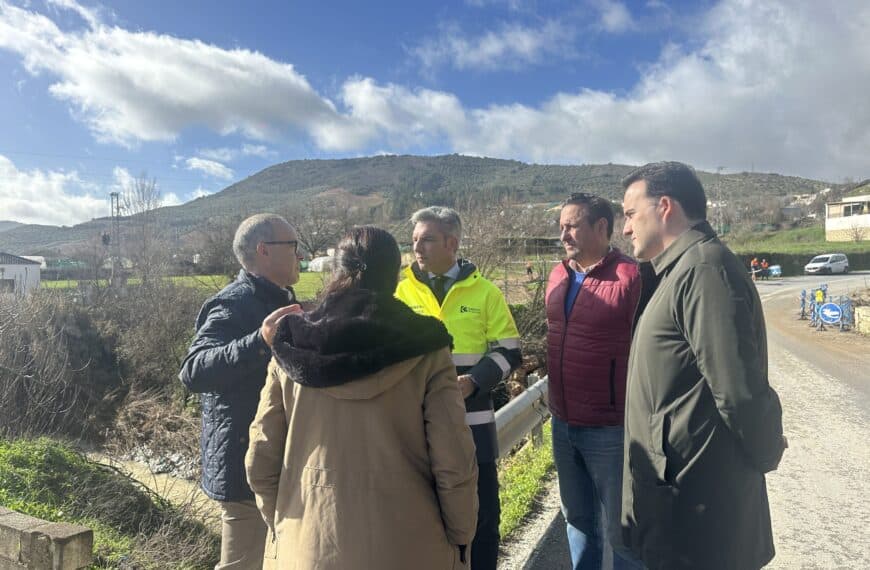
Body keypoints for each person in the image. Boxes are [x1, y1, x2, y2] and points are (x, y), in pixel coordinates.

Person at [245, 226, 479, 570]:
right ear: (394, 274)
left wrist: (284, 523)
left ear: (337, 270)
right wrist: (460, 537)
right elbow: (454, 459)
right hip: (412, 547)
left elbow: (260, 460)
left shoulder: (291, 344)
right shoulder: (427, 345)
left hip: (308, 547)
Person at [620, 162, 786, 570]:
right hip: (678, 503)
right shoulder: (680, 270)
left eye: (628, 214)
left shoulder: (703, 270)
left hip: (699, 514)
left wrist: (766, 452)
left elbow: (738, 391)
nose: (625, 229)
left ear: (664, 206)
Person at [395, 206, 522, 570]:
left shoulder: (485, 293)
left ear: (452, 242)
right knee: (425, 523)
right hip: (416, 429)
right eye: (415, 239)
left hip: (474, 425)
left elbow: (509, 350)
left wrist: (475, 382)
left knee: (482, 520)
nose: (417, 247)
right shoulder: (401, 294)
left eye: (427, 239)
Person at [179, 213, 302, 570]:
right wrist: (259, 341)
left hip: (275, 459)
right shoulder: (233, 303)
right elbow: (193, 371)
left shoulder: (276, 300)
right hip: (243, 466)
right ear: (264, 251)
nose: (299, 255)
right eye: (292, 246)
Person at [545, 193, 642, 570]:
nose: (564, 235)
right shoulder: (558, 274)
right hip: (563, 422)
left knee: (624, 531)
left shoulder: (631, 277)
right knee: (578, 521)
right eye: (561, 227)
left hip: (611, 427)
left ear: (601, 227)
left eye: (572, 225)